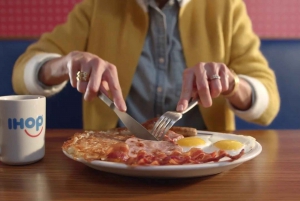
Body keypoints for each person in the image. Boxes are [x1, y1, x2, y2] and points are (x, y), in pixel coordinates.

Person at [12, 0, 280, 131]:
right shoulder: (99, 6)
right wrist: (67, 65)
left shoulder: (226, 7)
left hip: (207, 163)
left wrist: (232, 83)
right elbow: (22, 74)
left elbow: (268, 106)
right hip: (111, 165)